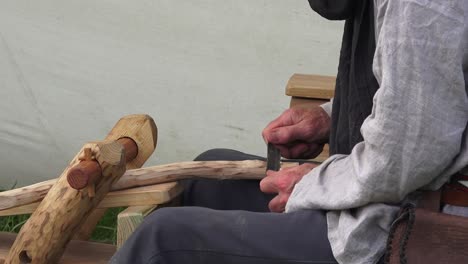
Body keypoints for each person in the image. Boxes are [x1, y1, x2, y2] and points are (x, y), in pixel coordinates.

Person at [111, 0, 468, 263]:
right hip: (398, 188)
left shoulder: (419, 5)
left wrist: (311, 183)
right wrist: (332, 117)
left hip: (414, 224)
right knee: (209, 176)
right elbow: (431, 105)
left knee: (160, 241)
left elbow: (403, 158)